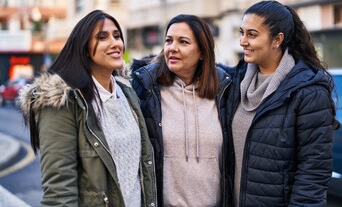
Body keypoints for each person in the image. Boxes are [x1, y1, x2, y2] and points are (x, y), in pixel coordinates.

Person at [17, 10, 157, 207]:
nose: (115, 43)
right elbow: (59, 192)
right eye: (102, 37)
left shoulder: (127, 92)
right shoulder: (63, 103)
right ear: (83, 48)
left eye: (117, 36)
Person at [220, 0, 339, 206]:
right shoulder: (235, 81)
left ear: (277, 40)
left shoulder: (308, 91)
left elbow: (313, 171)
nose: (242, 41)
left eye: (252, 34)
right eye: (242, 33)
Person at [131, 14, 233, 206]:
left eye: (183, 42)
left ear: (202, 51)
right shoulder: (145, 91)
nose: (173, 48)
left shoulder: (225, 91)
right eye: (169, 40)